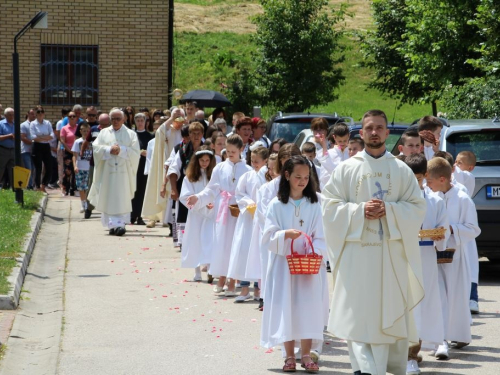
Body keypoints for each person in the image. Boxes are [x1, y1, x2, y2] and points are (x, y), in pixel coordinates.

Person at [322, 109, 427, 375]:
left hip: (390, 257)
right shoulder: (346, 169)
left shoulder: (400, 169)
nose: (374, 132)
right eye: (369, 128)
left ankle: (380, 369)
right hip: (358, 256)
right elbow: (329, 208)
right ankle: (363, 369)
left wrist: (389, 210)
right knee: (360, 315)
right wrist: (359, 211)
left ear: (387, 133)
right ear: (362, 131)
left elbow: (417, 207)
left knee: (385, 313)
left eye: (379, 128)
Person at [261, 156, 328, 373]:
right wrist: (284, 235)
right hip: (283, 265)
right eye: (298, 177)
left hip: (308, 265)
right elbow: (268, 236)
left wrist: (315, 252)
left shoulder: (316, 203)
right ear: (287, 176)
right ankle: (289, 355)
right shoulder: (276, 204)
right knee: (285, 307)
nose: (302, 181)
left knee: (307, 306)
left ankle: (306, 354)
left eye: (306, 177)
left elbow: (321, 234)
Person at [425, 157, 481, 355]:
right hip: (433, 253)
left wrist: (450, 229)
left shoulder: (463, 198)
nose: (427, 185)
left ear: (442, 179)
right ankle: (440, 340)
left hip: (456, 257)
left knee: (456, 297)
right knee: (438, 297)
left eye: (429, 181)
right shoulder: (431, 197)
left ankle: (457, 334)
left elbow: (473, 228)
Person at [186, 135, 252, 297]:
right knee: (221, 243)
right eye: (227, 151)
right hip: (223, 210)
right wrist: (198, 197)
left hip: (239, 210)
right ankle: (221, 278)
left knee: (235, 245)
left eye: (233, 151)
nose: (230, 154)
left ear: (241, 150)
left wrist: (244, 203)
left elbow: (250, 192)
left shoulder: (248, 170)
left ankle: (232, 280)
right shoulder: (220, 168)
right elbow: (211, 189)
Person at [403, 154, 449, 374]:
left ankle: (412, 354)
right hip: (401, 259)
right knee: (403, 306)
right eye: (409, 178)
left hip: (426, 260)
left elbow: (443, 228)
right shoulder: (398, 202)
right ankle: (399, 353)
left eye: (418, 178)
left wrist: (441, 236)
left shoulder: (436, 200)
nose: (414, 183)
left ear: (425, 176)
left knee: (421, 306)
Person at [88, 109, 140, 236]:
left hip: (123, 173)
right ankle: (112, 225)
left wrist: (121, 150)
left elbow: (135, 152)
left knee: (122, 197)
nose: (115, 121)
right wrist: (108, 149)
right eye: (113, 119)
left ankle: (120, 225)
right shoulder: (104, 133)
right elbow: (96, 148)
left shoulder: (131, 134)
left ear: (124, 120)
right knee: (108, 195)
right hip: (108, 173)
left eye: (118, 119)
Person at [227, 145, 269, 302]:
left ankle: (258, 289)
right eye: (252, 161)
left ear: (265, 161)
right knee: (245, 250)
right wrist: (249, 202)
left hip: (261, 218)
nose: (255, 164)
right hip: (248, 218)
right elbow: (240, 193)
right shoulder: (247, 176)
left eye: (258, 161)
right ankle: (245, 289)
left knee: (258, 252)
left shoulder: (268, 177)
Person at [179, 146, 216, 282]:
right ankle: (197, 270)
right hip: (196, 215)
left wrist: (213, 204)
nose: (205, 163)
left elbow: (216, 193)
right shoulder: (190, 178)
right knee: (195, 241)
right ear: (197, 161)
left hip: (210, 214)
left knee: (210, 241)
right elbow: (185, 196)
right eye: (202, 160)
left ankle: (211, 269)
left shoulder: (213, 176)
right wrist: (200, 204)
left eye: (207, 160)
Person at [142, 107, 184, 228]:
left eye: (180, 117)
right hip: (168, 164)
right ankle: (163, 220)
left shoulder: (186, 130)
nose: (178, 121)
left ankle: (174, 220)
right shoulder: (168, 130)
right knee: (167, 192)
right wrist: (171, 117)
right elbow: (160, 132)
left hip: (182, 164)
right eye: (176, 118)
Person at [168, 122, 205, 248]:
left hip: (202, 187)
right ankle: (185, 242)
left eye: (198, 133)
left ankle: (200, 240)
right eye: (193, 133)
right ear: (188, 134)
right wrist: (173, 189)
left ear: (202, 134)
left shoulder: (206, 149)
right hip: (186, 187)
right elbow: (173, 170)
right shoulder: (182, 150)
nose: (196, 136)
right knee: (184, 213)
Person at [453, 150, 479, 313]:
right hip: (456, 230)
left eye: (459, 162)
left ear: (470, 167)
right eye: (455, 161)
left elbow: (458, 176)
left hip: (465, 231)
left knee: (470, 267)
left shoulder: (468, 178)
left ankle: (473, 299)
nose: (456, 165)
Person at [81, 113, 111, 218]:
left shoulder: (113, 132)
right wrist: (82, 152)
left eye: (106, 124)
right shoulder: (94, 129)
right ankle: (89, 208)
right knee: (92, 185)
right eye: (102, 124)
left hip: (109, 164)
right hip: (95, 163)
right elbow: (86, 141)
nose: (104, 126)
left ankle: (108, 209)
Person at [131, 113, 154, 225]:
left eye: (142, 120)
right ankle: (131, 215)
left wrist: (148, 153)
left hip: (145, 167)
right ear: (135, 122)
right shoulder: (132, 135)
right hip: (134, 167)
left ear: (146, 122)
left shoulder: (150, 136)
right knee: (133, 191)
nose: (140, 123)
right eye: (138, 120)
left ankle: (140, 216)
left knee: (142, 192)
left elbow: (154, 150)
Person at [317, 122, 350, 188]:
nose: (342, 143)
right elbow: (324, 177)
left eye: (345, 140)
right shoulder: (330, 153)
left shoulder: (352, 152)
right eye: (340, 141)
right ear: (334, 137)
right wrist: (324, 145)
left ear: (349, 136)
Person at [30, 106, 55, 192]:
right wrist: (45, 137)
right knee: (38, 168)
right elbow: (33, 137)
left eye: (42, 112)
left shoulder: (47, 123)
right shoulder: (33, 124)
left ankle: (43, 185)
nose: (40, 114)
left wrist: (40, 137)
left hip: (46, 146)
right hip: (37, 146)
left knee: (49, 167)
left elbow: (52, 135)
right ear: (36, 115)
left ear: (44, 114)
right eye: (38, 113)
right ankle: (37, 186)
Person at [71, 123, 92, 213]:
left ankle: (87, 203)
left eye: (87, 131)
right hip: (80, 166)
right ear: (80, 131)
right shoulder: (77, 142)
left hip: (89, 167)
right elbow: (74, 155)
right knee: (81, 186)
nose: (85, 132)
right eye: (83, 131)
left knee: (88, 187)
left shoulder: (93, 142)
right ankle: (83, 203)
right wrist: (75, 166)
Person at [60, 111, 79, 195]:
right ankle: (65, 188)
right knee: (67, 171)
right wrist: (69, 150)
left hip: (77, 152)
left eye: (74, 116)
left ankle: (73, 189)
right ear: (68, 118)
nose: (72, 118)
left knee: (76, 171)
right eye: (70, 116)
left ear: (76, 118)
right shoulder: (64, 128)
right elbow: (62, 141)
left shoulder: (78, 127)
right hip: (68, 152)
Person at [20, 108, 36, 189]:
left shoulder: (36, 125)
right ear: (28, 114)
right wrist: (34, 142)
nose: (34, 115)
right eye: (32, 114)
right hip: (26, 150)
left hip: (35, 151)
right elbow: (23, 138)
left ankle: (32, 184)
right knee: (28, 168)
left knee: (33, 168)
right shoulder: (23, 125)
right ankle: (29, 186)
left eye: (34, 114)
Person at [0, 108, 16, 189]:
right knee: (1, 168)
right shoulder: (1, 124)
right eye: (10, 115)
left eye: (13, 114)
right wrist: (9, 136)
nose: (12, 116)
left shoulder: (15, 124)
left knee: (13, 170)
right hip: (3, 150)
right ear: (5, 115)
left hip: (13, 150)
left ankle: (13, 188)